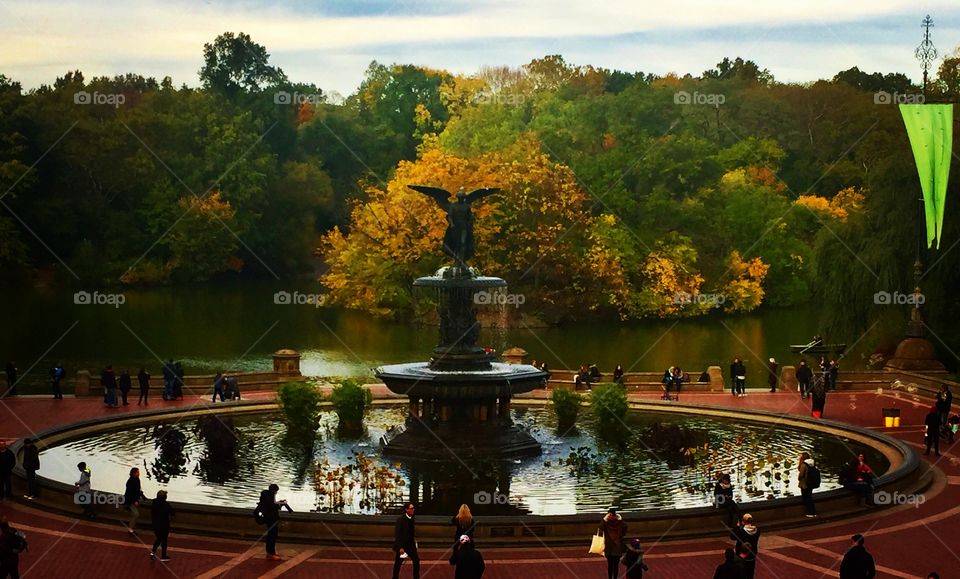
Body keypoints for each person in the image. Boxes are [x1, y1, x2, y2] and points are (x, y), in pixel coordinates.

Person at [256, 483, 292, 561]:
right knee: (271, 536)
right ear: (274, 490)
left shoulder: (267, 496)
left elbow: (272, 505)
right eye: (276, 491)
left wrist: (279, 502)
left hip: (271, 519)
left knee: (272, 536)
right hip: (271, 519)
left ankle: (271, 552)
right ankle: (271, 553)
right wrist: (281, 505)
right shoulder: (269, 496)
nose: (276, 493)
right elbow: (271, 507)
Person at [392, 502, 419, 579]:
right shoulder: (401, 519)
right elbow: (398, 534)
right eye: (411, 508)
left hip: (411, 545)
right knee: (398, 563)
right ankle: (394, 577)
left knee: (416, 560)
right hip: (403, 545)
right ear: (406, 510)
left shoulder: (412, 518)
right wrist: (400, 547)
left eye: (413, 508)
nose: (413, 510)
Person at [598, 507, 627, 579]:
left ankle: (610, 578)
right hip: (617, 548)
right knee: (616, 565)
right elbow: (625, 530)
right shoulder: (620, 523)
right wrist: (621, 519)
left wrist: (604, 519)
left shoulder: (606, 523)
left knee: (610, 565)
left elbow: (600, 528)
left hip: (608, 548)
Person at [731, 513, 760, 579]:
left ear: (743, 522)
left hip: (742, 556)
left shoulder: (741, 532)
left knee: (741, 574)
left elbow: (732, 537)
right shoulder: (757, 531)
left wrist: (737, 527)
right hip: (752, 554)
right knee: (750, 574)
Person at [150, 490, 174, 562]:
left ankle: (153, 552)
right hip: (164, 525)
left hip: (155, 524)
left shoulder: (154, 503)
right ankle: (163, 555)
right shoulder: (166, 505)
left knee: (158, 539)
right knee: (164, 541)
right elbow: (172, 513)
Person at [124, 467, 146, 535]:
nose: (139, 473)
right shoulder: (131, 481)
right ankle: (130, 529)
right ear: (134, 473)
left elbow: (137, 490)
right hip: (131, 501)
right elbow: (131, 492)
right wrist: (135, 501)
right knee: (136, 514)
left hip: (133, 500)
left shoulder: (137, 479)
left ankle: (132, 528)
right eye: (137, 472)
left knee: (134, 514)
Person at [798, 452, 817, 517]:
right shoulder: (812, 463)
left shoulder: (803, 465)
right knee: (809, 497)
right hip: (811, 482)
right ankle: (813, 512)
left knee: (806, 498)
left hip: (805, 484)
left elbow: (801, 475)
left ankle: (810, 513)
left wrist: (799, 479)